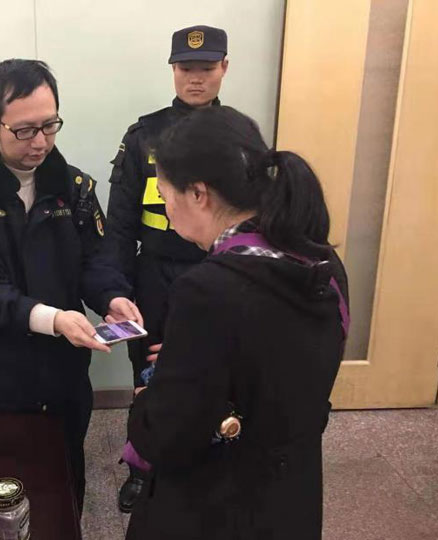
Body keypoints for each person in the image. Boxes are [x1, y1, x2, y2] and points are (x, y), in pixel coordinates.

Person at [124, 106, 349, 540]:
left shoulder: (207, 290)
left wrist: (148, 398)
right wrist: (195, 357)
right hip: (291, 492)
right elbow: (284, 364)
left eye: (165, 193)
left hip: (219, 505)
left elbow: (168, 436)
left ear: (198, 194)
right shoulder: (321, 259)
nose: (165, 209)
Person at [0, 59, 141, 512]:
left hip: (64, 371)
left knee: (64, 479)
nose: (41, 142)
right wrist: (53, 318)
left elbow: (95, 260)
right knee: (0, 490)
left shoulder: (74, 186)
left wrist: (112, 296)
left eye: (50, 125)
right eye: (25, 130)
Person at [104, 24, 267, 512]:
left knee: (220, 372)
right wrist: (116, 289)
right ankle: (142, 468)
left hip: (222, 273)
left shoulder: (239, 136)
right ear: (173, 70)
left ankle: (214, 459)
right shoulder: (143, 136)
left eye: (206, 68)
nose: (196, 78)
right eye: (186, 68)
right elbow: (120, 224)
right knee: (151, 374)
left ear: (224, 68)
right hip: (157, 276)